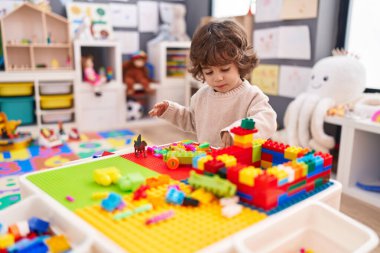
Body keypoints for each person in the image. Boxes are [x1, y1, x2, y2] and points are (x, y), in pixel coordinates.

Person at [149, 20, 277, 147]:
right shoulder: (201, 96)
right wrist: (171, 110)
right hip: (207, 160)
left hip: (240, 163)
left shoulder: (251, 95)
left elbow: (267, 120)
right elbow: (194, 122)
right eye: (209, 72)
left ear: (240, 63)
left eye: (225, 69)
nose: (218, 78)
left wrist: (237, 132)